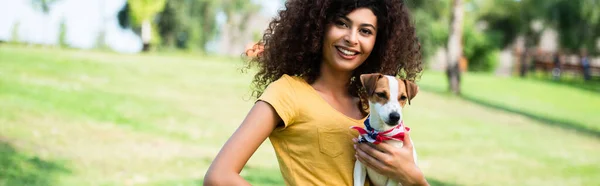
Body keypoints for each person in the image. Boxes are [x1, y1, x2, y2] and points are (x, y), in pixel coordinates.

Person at [203, 0, 427, 185]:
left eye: (365, 31)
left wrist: (414, 177)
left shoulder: (374, 103)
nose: (352, 38)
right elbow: (219, 176)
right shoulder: (288, 93)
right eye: (341, 23)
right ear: (319, 26)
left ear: (378, 41)